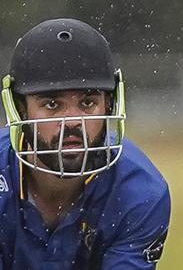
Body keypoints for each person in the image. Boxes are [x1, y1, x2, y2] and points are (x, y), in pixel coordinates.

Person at [0, 18, 171, 269]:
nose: (72, 122)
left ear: (110, 105)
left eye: (88, 103)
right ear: (21, 109)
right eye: (52, 104)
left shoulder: (140, 193)